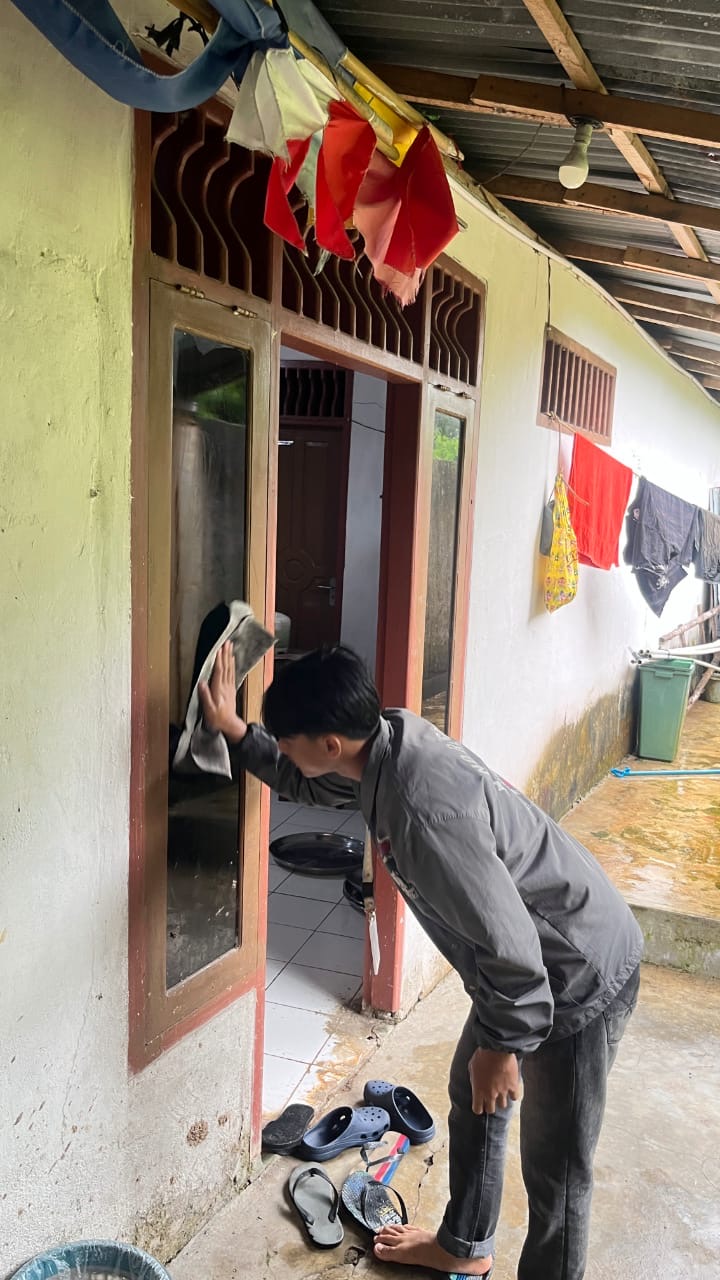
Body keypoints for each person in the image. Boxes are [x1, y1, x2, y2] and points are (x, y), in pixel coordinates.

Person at [199, 642, 643, 1280]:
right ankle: (466, 1248)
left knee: (557, 1171)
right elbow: (310, 778)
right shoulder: (388, 738)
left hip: (577, 975)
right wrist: (240, 735)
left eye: (286, 738)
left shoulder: (420, 812)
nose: (284, 747)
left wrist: (504, 1044)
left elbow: (515, 954)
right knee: (475, 1089)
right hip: (537, 961)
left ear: (330, 742)